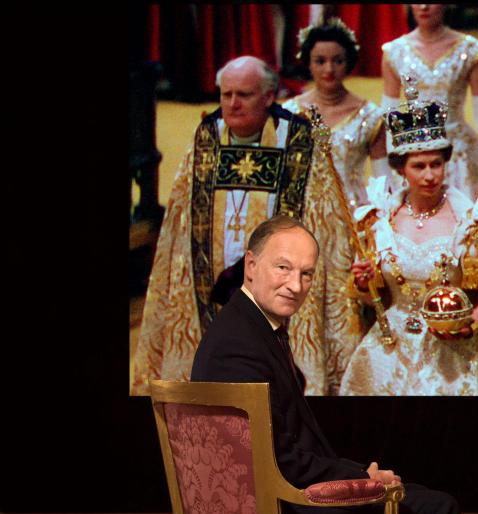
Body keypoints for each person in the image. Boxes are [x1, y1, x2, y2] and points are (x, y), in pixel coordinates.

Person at [191, 216, 478, 514]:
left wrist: (358, 479)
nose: (295, 284)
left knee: (413, 508)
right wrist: (360, 480)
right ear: (251, 266)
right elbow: (281, 460)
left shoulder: (247, 327)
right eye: (283, 268)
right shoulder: (239, 347)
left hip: (273, 513)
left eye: (306, 273)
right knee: (437, 513)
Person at [132, 55, 362, 396]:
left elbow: (326, 224)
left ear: (269, 97)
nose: (233, 104)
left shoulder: (299, 142)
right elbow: (180, 225)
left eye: (244, 95)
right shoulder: (207, 137)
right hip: (212, 289)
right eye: (226, 95)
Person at [340, 82, 478, 396]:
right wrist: (364, 283)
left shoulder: (468, 224)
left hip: (451, 355)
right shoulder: (381, 222)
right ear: (401, 169)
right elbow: (374, 297)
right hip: (388, 351)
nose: (430, 175)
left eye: (436, 164)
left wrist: (465, 326)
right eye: (419, 166)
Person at [380, 4, 478, 212]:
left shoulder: (469, 50)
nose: (424, 7)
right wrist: (390, 172)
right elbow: (389, 114)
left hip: (459, 154)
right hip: (414, 153)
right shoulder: (394, 52)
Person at [282, 17, 389, 211]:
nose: (329, 69)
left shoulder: (370, 115)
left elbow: (383, 180)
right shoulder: (290, 113)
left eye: (337, 61)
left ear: (348, 62)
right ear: (308, 63)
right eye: (320, 61)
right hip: (303, 214)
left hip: (353, 217)